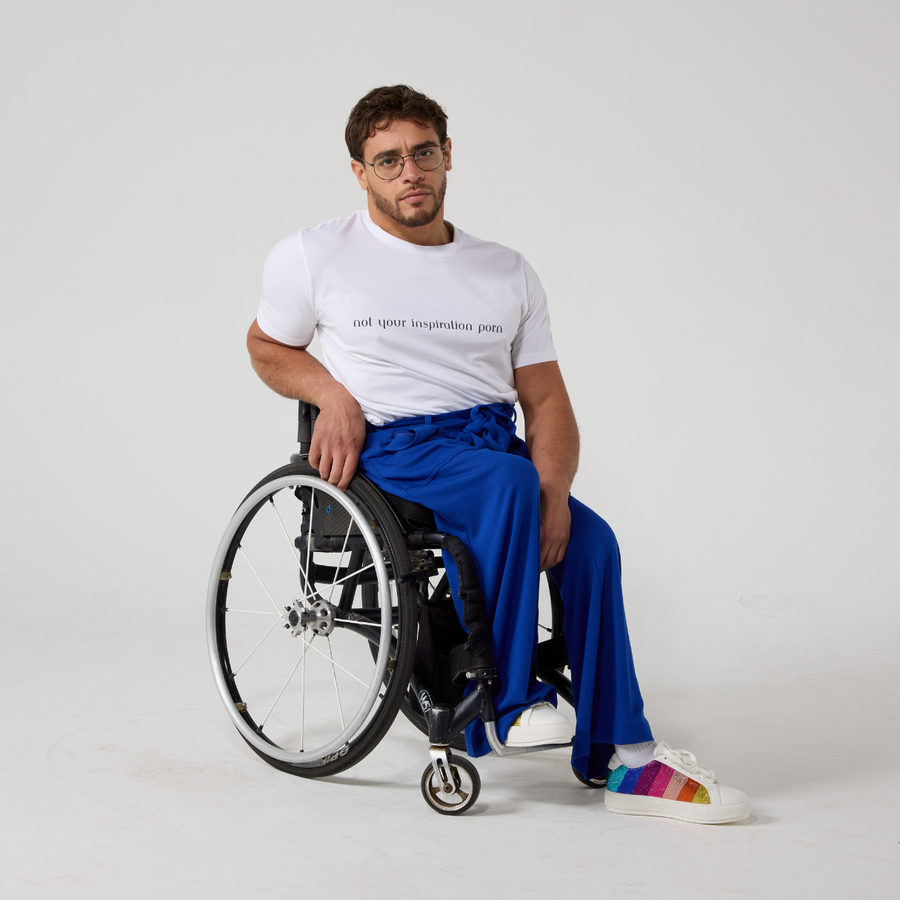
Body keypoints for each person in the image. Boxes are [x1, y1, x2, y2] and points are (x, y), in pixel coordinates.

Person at [247, 85, 750, 824]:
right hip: (396, 448)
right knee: (509, 481)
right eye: (387, 161)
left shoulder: (506, 270)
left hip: (491, 447)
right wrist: (333, 394)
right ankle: (508, 700)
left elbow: (547, 402)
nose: (408, 172)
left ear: (448, 156)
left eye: (423, 153)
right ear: (360, 173)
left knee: (592, 542)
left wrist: (553, 491)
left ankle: (624, 759)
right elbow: (266, 345)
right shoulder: (315, 253)